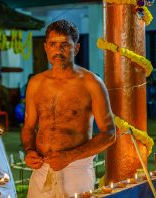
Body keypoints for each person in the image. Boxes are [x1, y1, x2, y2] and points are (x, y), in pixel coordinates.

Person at [21, 19, 116, 197]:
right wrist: (29, 151)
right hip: (41, 169)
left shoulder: (91, 83)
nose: (58, 50)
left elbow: (109, 133)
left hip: (76, 170)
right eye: (53, 44)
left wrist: (69, 156)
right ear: (45, 47)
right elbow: (28, 127)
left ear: (76, 48)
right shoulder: (35, 83)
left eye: (65, 44)